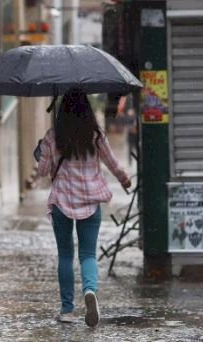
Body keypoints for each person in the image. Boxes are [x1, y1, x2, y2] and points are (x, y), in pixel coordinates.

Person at [34, 88, 131, 327]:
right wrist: (124, 180)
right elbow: (113, 163)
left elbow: (43, 172)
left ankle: (67, 310)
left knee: (65, 255)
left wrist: (40, 153)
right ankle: (90, 291)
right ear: (87, 111)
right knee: (88, 254)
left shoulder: (52, 136)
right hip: (90, 201)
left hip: (62, 203)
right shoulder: (96, 135)